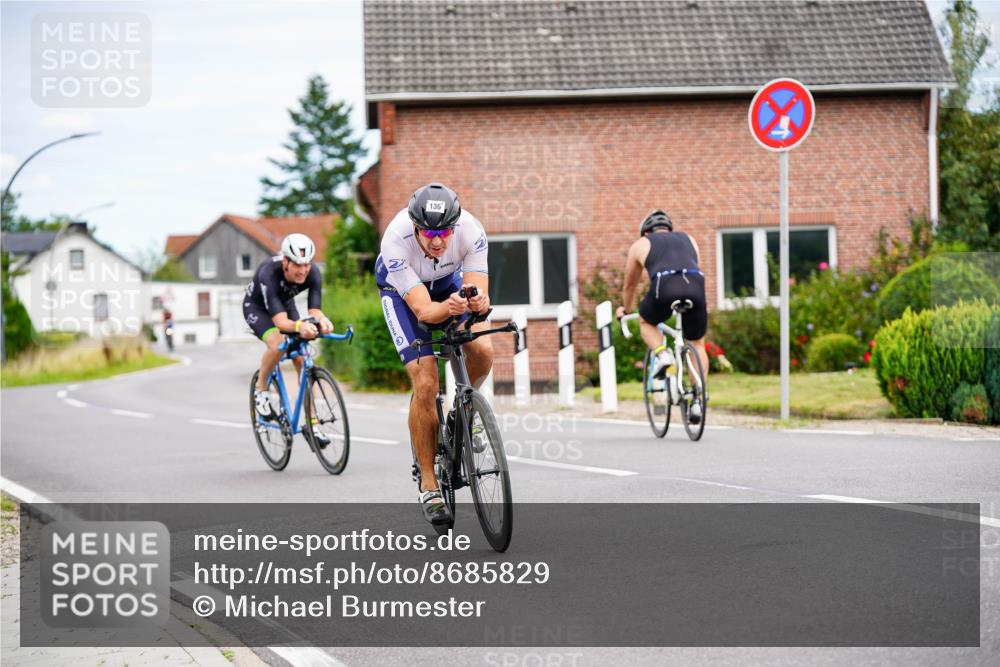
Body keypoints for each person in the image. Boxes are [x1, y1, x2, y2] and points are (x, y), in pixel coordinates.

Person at [375, 183, 492, 526]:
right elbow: (425, 313)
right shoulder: (395, 240)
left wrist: (478, 302)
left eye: (444, 231)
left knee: (483, 350)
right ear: (414, 226)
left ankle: (462, 413)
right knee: (426, 382)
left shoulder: (472, 231)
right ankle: (428, 484)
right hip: (402, 293)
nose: (438, 240)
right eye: (429, 232)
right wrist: (447, 309)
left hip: (445, 283)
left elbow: (476, 290)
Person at [616, 209, 708, 423]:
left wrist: (625, 310)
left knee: (646, 322)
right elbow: (692, 264)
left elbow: (630, 284)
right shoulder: (689, 239)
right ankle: (697, 398)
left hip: (664, 285)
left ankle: (662, 354)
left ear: (645, 231)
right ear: (669, 228)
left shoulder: (641, 244)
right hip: (695, 283)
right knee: (697, 343)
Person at [244, 233, 334, 425]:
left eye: (307, 265)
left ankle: (312, 422)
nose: (303, 271)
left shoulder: (314, 273)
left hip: (284, 304)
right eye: (297, 265)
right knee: (278, 344)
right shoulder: (268, 272)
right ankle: (261, 390)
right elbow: (280, 322)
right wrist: (300, 326)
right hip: (258, 309)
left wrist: (324, 321)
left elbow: (315, 310)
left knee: (301, 359)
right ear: (285, 261)